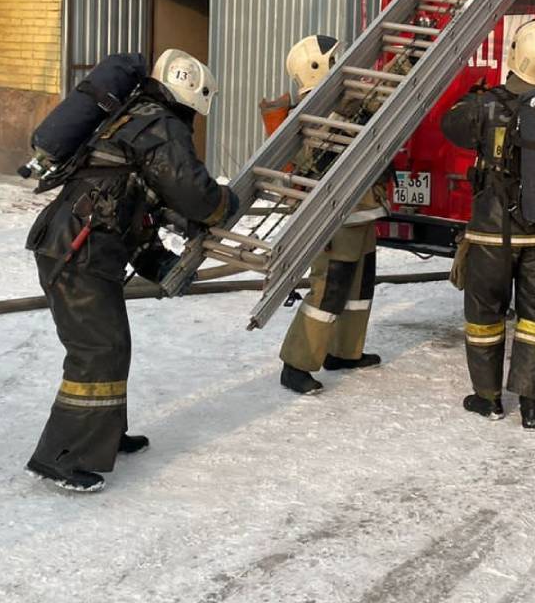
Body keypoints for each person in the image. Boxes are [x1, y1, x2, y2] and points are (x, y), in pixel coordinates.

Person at [24, 48, 238, 492]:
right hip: (77, 252)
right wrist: (224, 204)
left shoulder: (135, 118)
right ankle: (61, 457)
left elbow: (130, 209)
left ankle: (104, 435)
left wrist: (160, 261)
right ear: (191, 94)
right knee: (99, 350)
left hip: (81, 248)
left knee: (111, 346)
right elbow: (192, 192)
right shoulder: (158, 125)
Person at [440, 18, 535, 429]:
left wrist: (479, 98)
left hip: (492, 233)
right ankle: (532, 406)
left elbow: (449, 125)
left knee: (485, 314)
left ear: (515, 56)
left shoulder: (488, 104)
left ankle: (487, 398)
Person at [273, 34, 386, 396]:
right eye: (333, 60)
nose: (339, 65)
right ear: (316, 67)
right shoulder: (317, 110)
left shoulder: (337, 102)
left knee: (360, 285)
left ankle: (344, 352)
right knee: (330, 287)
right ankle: (297, 364)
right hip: (336, 215)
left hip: (360, 209)